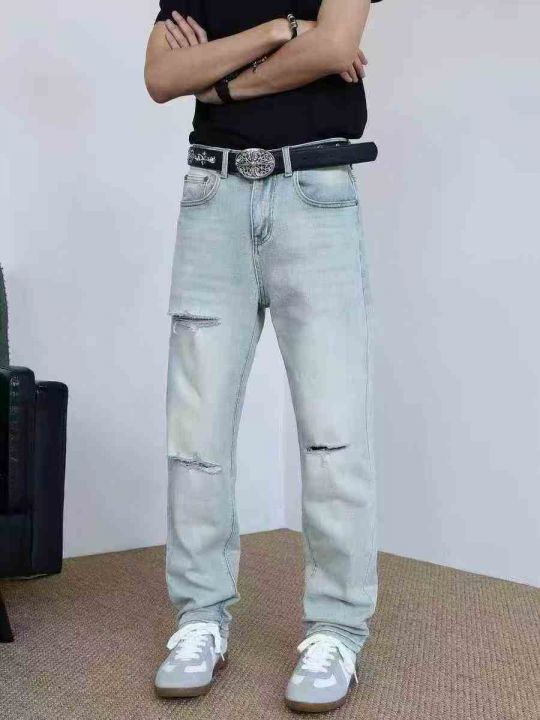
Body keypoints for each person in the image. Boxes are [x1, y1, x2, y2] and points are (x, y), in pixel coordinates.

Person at [144, 0, 381, 712]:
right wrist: (279, 32)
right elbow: (162, 77)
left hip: (316, 191)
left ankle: (337, 628)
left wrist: (218, 81)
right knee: (196, 433)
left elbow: (334, 44)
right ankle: (200, 617)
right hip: (211, 192)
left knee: (334, 432)